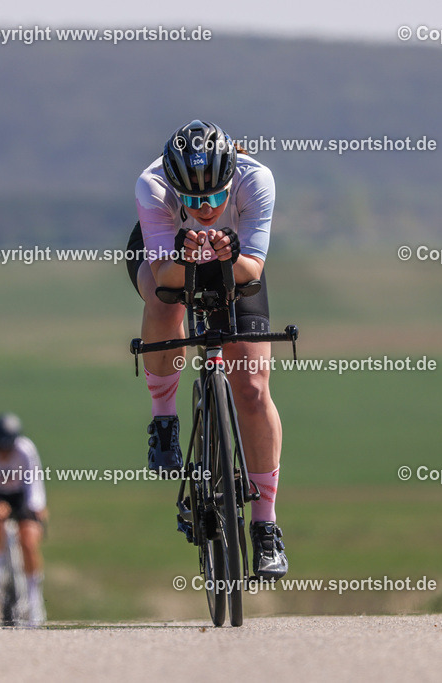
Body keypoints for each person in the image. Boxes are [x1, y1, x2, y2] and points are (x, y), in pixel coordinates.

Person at [125, 119, 288, 579]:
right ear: (174, 185)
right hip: (166, 259)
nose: (205, 207)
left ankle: (265, 526)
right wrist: (185, 254)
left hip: (238, 264)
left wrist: (223, 254)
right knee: (164, 303)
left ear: (231, 176)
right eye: (193, 200)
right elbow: (166, 280)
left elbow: (252, 270)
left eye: (216, 196)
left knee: (253, 391)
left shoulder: (256, 180)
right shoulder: (153, 185)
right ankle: (163, 419)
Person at [0, 413, 48, 625]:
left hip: (19, 494)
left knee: (29, 540)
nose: (4, 453)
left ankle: (34, 598)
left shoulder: (25, 449)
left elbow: (34, 479)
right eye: (0, 449)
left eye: (8, 449)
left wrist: (37, 507)